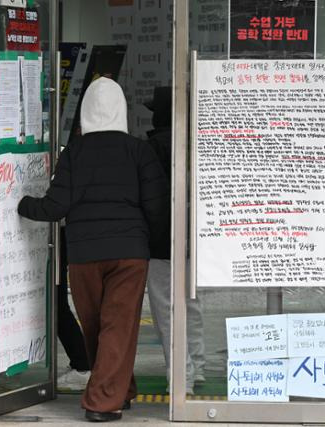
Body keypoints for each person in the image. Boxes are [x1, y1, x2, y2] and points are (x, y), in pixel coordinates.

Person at [18, 77, 169, 422]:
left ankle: (105, 396)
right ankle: (113, 394)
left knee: (95, 325)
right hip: (130, 254)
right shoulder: (139, 151)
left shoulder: (75, 152)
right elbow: (157, 207)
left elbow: (55, 207)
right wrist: (151, 243)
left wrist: (20, 203)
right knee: (119, 324)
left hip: (84, 255)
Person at [144, 86, 206, 394]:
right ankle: (198, 364)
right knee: (192, 302)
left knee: (166, 308)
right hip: (193, 236)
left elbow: (149, 198)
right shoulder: (195, 142)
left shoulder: (152, 147)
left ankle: (182, 377)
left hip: (160, 240)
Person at [56, 226, 92, 391]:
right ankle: (83, 364)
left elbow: (57, 204)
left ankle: (83, 366)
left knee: (56, 306)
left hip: (62, 233)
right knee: (57, 305)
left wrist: (25, 205)